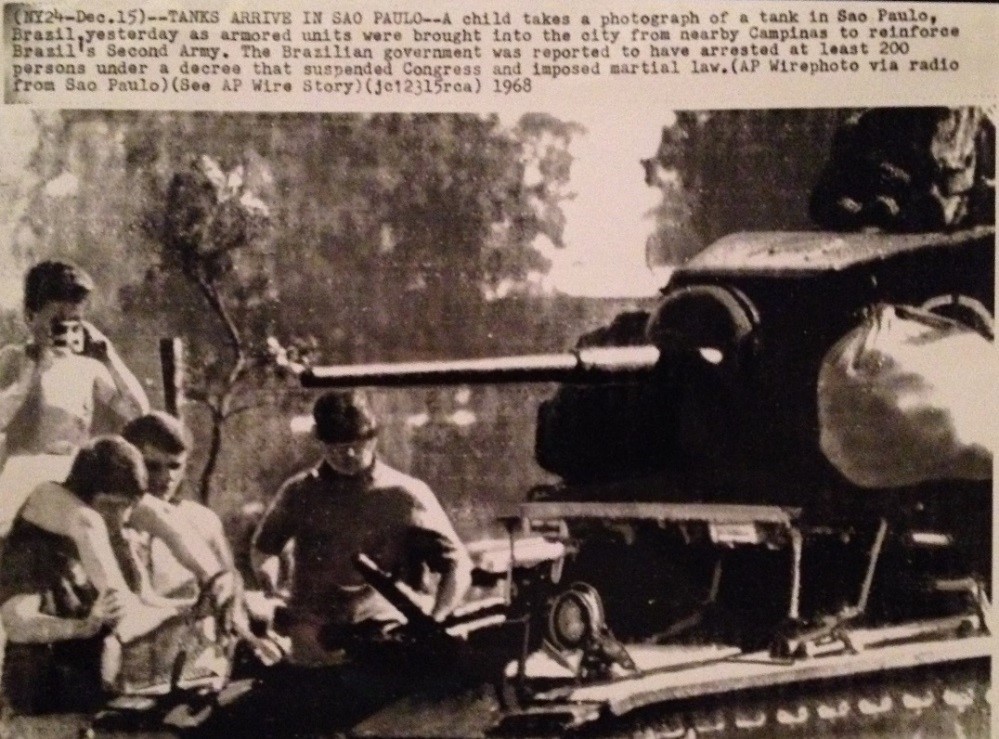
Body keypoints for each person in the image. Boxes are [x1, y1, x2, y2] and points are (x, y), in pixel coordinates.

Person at [252, 389, 473, 667]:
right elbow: (264, 550)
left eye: (356, 443)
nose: (349, 454)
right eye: (336, 447)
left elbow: (457, 565)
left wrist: (437, 618)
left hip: (390, 636)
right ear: (321, 443)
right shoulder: (299, 492)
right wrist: (272, 587)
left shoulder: (406, 495)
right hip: (317, 640)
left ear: (373, 437)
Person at [0, 437, 144, 733]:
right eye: (111, 506)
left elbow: (137, 606)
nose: (118, 519)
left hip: (84, 705)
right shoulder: (38, 545)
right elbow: (18, 623)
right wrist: (83, 627)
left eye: (126, 507)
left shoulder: (105, 545)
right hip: (41, 713)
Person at [0, 260, 150, 532]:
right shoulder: (14, 358)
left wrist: (109, 357)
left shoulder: (87, 368)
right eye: (57, 321)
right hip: (27, 471)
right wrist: (31, 372)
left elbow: (137, 412)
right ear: (30, 316)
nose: (65, 331)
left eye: (75, 322)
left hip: (74, 471)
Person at [121, 411, 279, 662]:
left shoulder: (202, 520)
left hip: (195, 656)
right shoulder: (111, 520)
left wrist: (251, 639)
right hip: (130, 656)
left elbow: (229, 585)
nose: (166, 477)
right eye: (153, 466)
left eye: (175, 466)